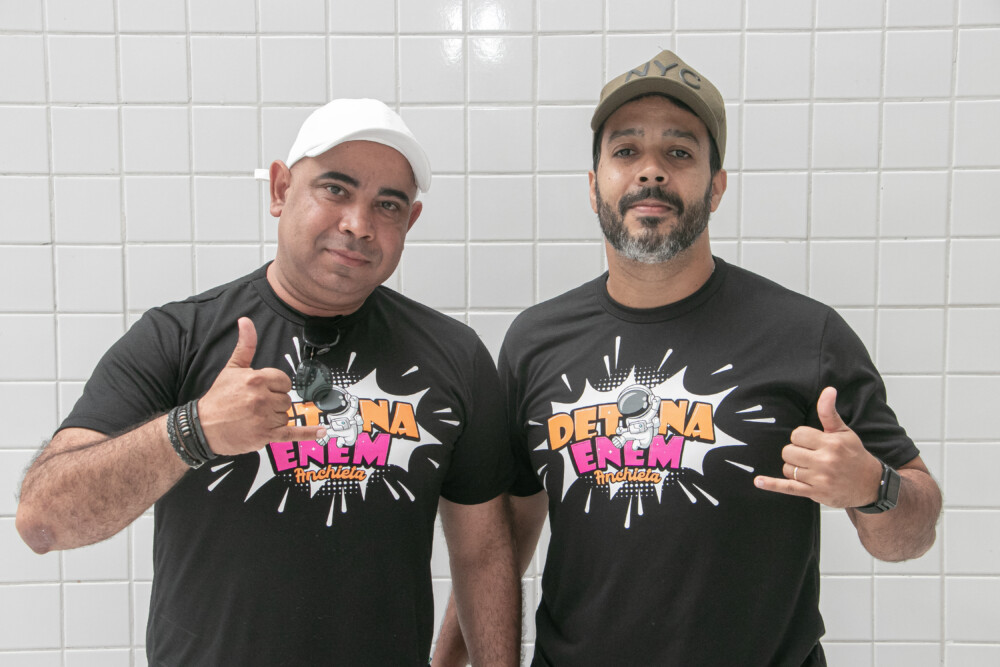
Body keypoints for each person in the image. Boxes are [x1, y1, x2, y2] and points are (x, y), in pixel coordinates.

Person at [432, 50, 942, 666]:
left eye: (678, 152)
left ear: (716, 187)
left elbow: (910, 536)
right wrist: (449, 660)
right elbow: (498, 540)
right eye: (626, 151)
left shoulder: (806, 335)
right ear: (594, 186)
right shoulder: (535, 341)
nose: (651, 172)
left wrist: (873, 488)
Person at [17, 98, 520, 666]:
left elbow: (482, 555)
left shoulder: (454, 357)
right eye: (335, 189)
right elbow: (43, 521)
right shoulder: (178, 337)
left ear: (411, 221)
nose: (358, 225)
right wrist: (193, 430)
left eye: (387, 205)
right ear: (280, 190)